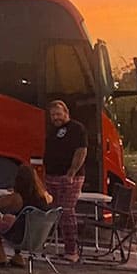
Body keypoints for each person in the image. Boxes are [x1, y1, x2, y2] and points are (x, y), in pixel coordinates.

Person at [0, 164, 52, 266]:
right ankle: (18, 257)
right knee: (9, 217)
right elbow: (49, 198)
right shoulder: (44, 196)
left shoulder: (16, 198)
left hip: (20, 237)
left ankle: (2, 256)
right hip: (38, 238)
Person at [42, 99, 87, 263]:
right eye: (53, 115)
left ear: (66, 113)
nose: (56, 117)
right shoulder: (52, 131)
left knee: (67, 211)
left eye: (58, 114)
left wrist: (71, 172)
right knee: (57, 213)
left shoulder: (77, 129)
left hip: (69, 177)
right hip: (52, 177)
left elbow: (81, 151)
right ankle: (62, 248)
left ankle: (72, 251)